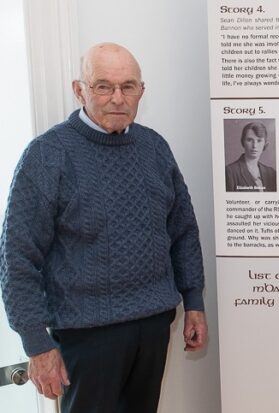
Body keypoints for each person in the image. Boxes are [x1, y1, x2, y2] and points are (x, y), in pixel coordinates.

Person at [0, 42, 207, 413]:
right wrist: (36, 344)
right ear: (79, 89)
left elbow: (183, 232)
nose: (117, 98)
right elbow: (17, 257)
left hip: (153, 326)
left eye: (128, 86)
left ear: (141, 91)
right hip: (85, 337)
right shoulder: (47, 155)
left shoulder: (154, 148)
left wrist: (193, 301)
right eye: (103, 86)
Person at [225, 121, 277, 192]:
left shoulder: (271, 173)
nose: (254, 146)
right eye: (249, 140)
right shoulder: (230, 172)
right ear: (243, 142)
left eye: (259, 141)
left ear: (265, 143)